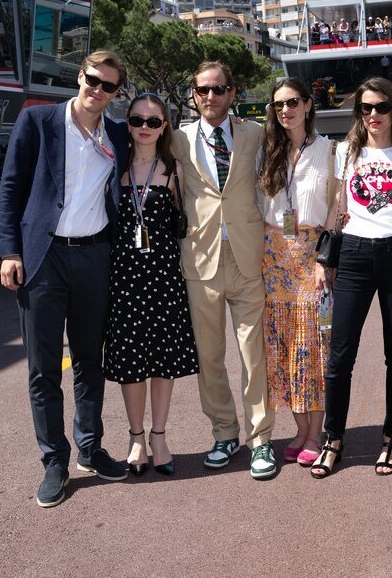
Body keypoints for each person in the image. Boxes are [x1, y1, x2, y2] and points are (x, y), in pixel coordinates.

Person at [0, 50, 131, 508]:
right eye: (93, 80)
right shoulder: (38, 122)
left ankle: (90, 448)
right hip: (43, 258)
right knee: (44, 367)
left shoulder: (116, 134)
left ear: (116, 94)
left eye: (108, 86)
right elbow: (10, 187)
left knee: (91, 360)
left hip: (95, 257)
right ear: (80, 77)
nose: (98, 91)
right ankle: (54, 459)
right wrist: (9, 251)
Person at [311, 77, 392, 479]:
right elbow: (338, 207)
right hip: (355, 254)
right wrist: (321, 259)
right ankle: (333, 439)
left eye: (381, 107)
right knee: (340, 356)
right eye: (366, 108)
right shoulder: (346, 151)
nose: (373, 115)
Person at [171, 61, 277, 479]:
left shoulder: (255, 134)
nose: (210, 97)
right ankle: (223, 432)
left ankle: (261, 439)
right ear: (194, 95)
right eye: (202, 90)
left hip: (248, 257)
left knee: (253, 355)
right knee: (209, 356)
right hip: (200, 260)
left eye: (218, 89)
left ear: (232, 93)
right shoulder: (177, 138)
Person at [103, 93, 199, 477]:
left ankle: (159, 437)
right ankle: (136, 438)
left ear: (165, 127)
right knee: (130, 365)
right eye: (137, 120)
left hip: (164, 280)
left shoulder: (174, 170)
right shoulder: (113, 168)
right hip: (123, 280)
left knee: (163, 362)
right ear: (127, 124)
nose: (145, 128)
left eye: (154, 122)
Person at [257, 78, 334, 467]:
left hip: (311, 257)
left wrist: (325, 258)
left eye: (292, 102)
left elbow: (336, 208)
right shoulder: (268, 151)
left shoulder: (329, 151)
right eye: (278, 104)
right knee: (282, 345)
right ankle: (298, 428)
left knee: (313, 344)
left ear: (307, 105)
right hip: (274, 257)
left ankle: (316, 431)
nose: (285, 110)